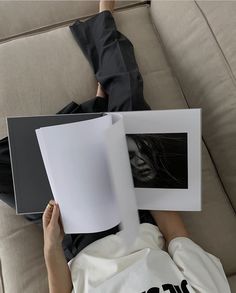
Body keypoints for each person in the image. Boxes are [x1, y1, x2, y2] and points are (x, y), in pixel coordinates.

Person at [0, 1, 231, 292]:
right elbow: (175, 234)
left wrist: (51, 247)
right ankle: (104, 23)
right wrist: (138, 177)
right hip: (135, 213)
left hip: (76, 233)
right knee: (130, 96)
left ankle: (96, 109)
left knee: (6, 162)